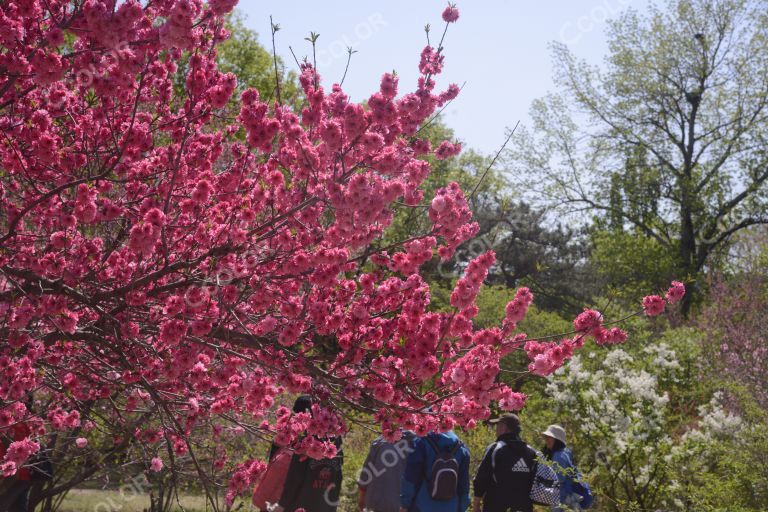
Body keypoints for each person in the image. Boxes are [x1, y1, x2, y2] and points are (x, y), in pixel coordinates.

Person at [472, 414, 559, 512]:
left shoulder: (496, 448)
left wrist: (476, 505)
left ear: (504, 427)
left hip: (496, 506)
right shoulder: (531, 452)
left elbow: (482, 478)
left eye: (498, 425)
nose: (496, 429)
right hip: (524, 507)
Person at [274, 396, 344, 512]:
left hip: (299, 505)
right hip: (324, 505)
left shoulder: (306, 437)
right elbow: (338, 475)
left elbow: (295, 475)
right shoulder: (336, 437)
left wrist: (282, 504)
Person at [399, 429, 470, 512]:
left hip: (421, 506)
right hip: (451, 507)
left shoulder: (421, 443)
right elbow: (464, 485)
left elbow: (410, 478)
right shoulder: (461, 448)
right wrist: (462, 508)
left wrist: (404, 504)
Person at [357, 430, 416, 512]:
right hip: (404, 505)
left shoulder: (380, 442)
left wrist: (362, 497)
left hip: (377, 502)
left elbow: (366, 474)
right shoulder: (419, 444)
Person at [541, 425, 580, 511]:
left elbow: (559, 480)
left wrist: (543, 482)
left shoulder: (559, 456)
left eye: (550, 437)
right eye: (546, 437)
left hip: (563, 501)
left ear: (557, 440)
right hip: (569, 499)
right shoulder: (565, 452)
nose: (546, 440)